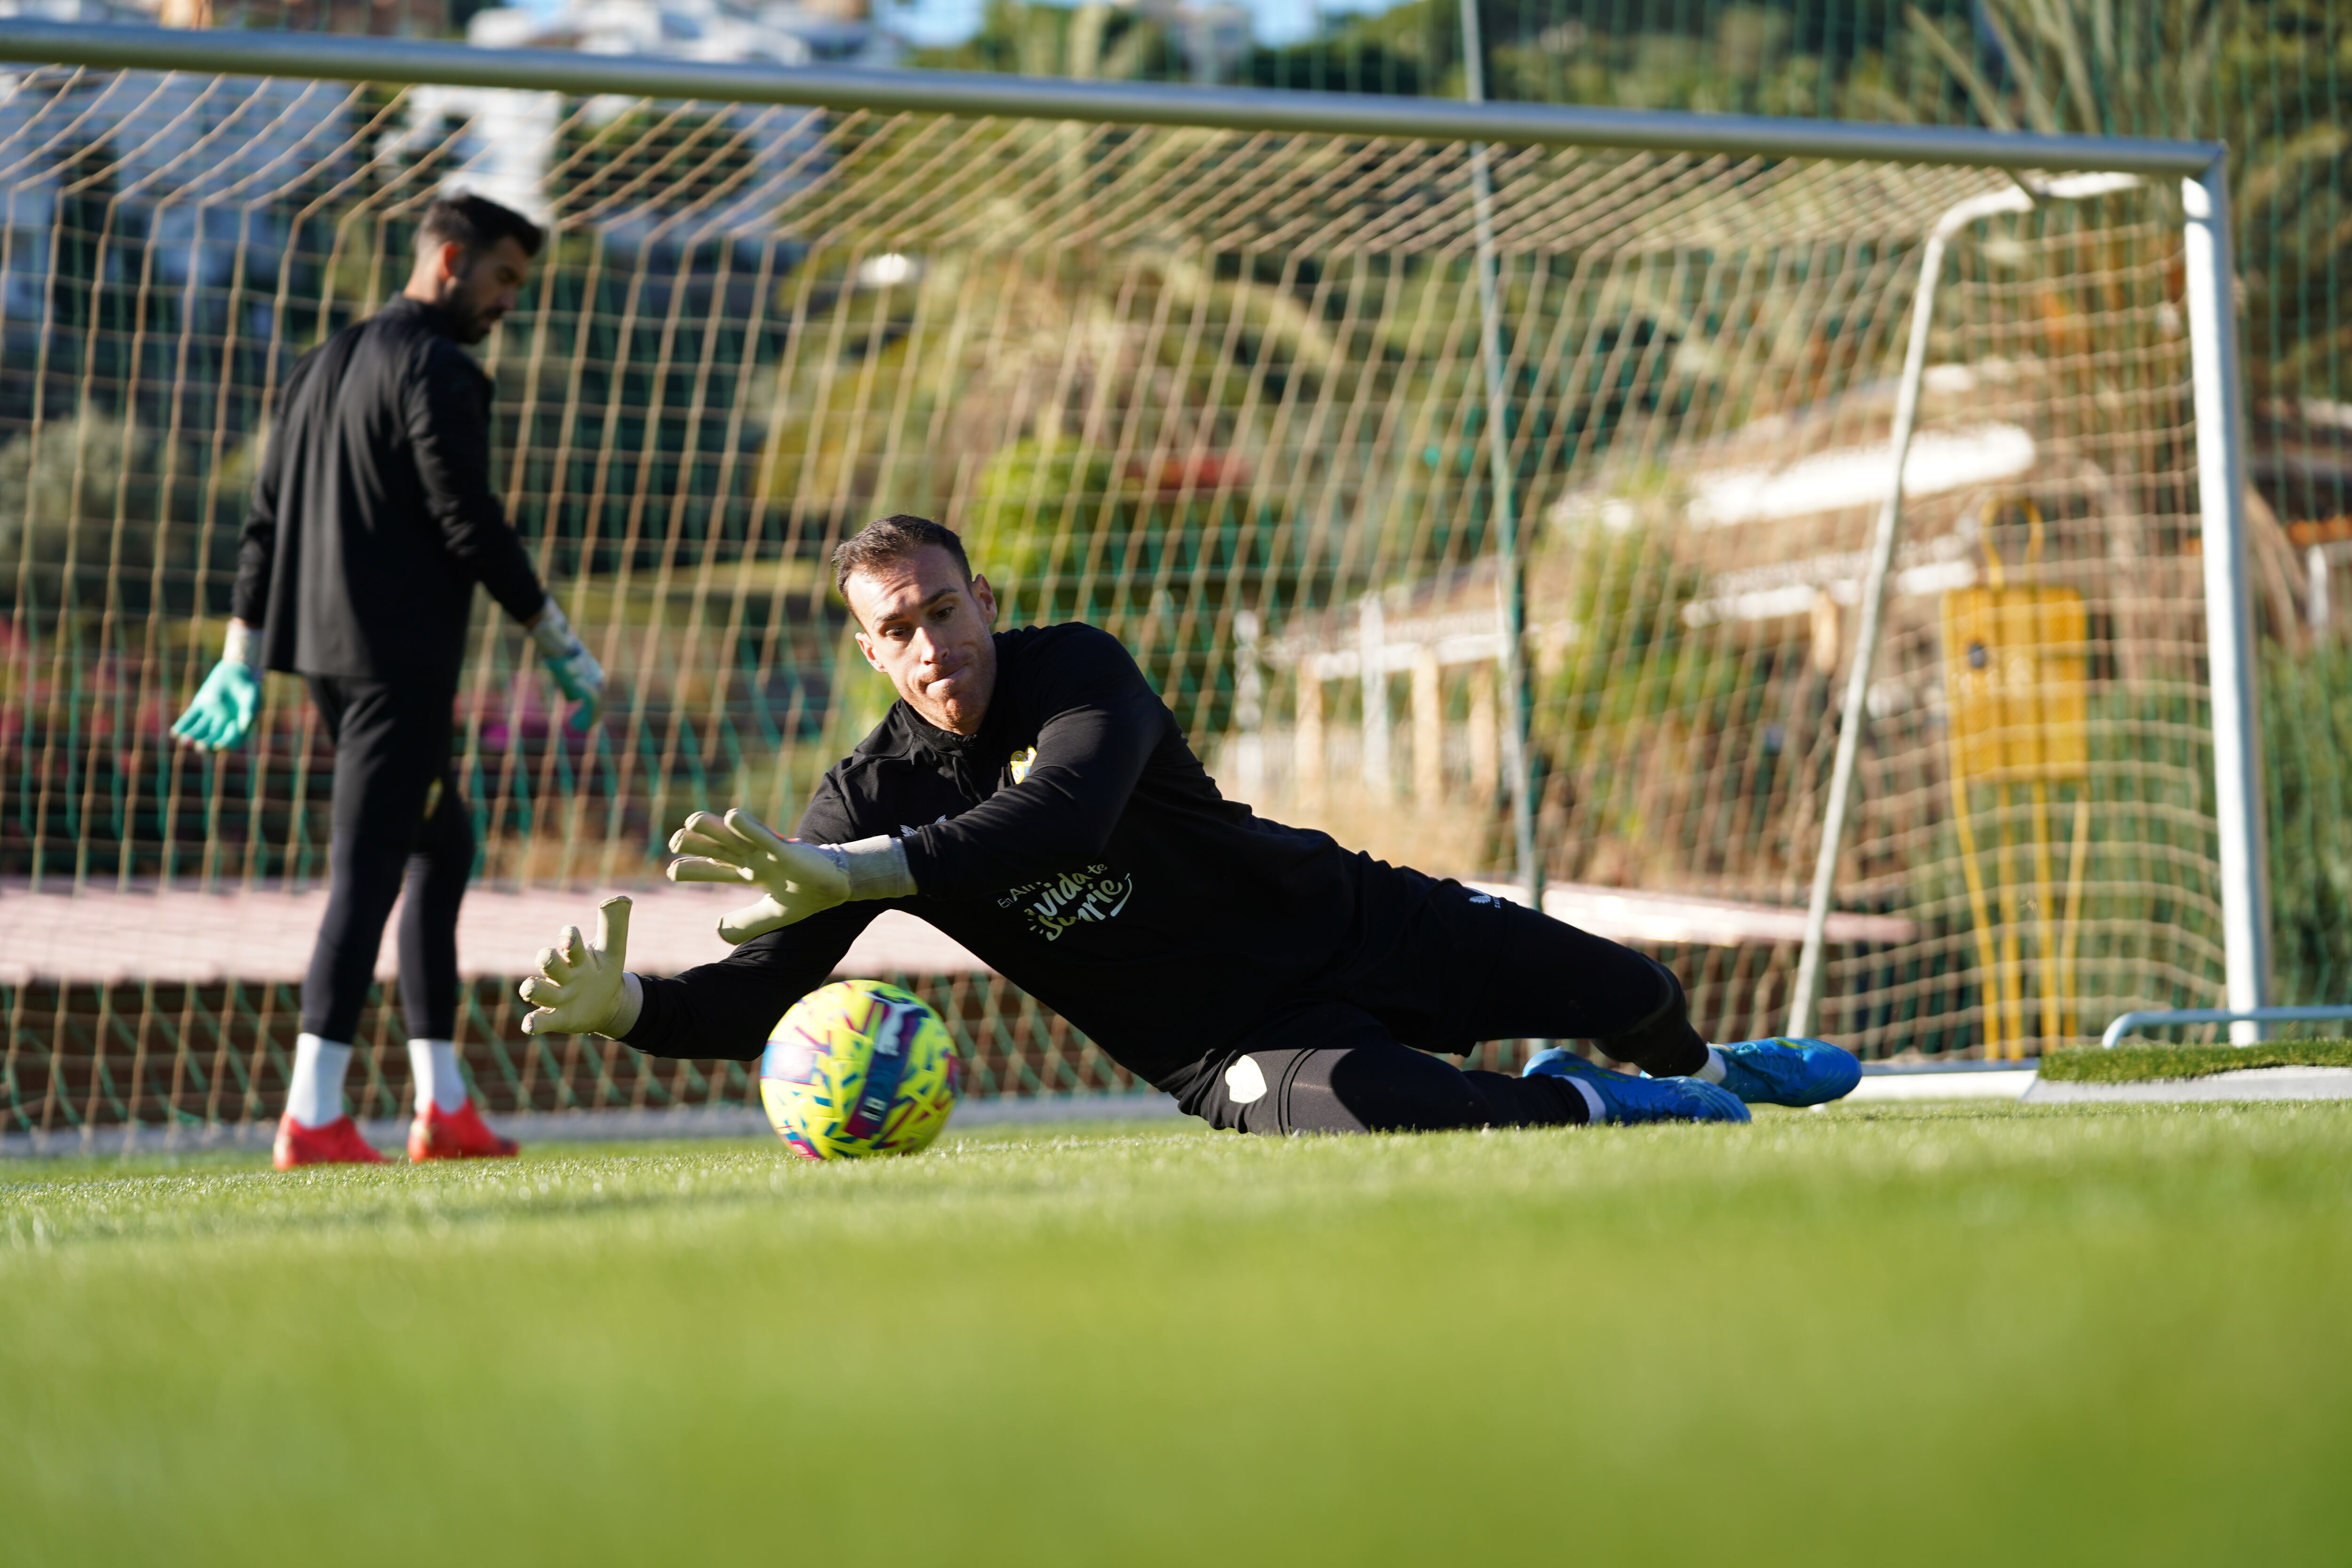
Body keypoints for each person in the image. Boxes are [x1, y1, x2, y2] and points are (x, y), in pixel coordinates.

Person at [513, 515, 1859, 1136]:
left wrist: (859, 874)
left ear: (986, 594)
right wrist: (624, 1002)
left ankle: (1707, 1065)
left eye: (943, 607)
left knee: (1637, 986)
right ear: (872, 656)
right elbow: (755, 999)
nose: (932, 644)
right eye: (898, 631)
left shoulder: (1081, 667)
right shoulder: (867, 798)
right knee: (1423, 1106)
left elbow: (1064, 813)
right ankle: (1597, 1099)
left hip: (1351, 918)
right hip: (1232, 1047)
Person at [172, 192, 607, 1169]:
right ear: (450, 260)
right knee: (369, 868)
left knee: (441, 846)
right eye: (502, 279)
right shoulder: (440, 367)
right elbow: (469, 519)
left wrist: (244, 646)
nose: (508, 303)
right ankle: (311, 1113)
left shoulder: (318, 364)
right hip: (395, 666)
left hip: (324, 657)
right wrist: (555, 636)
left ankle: (442, 1104)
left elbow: (265, 520)